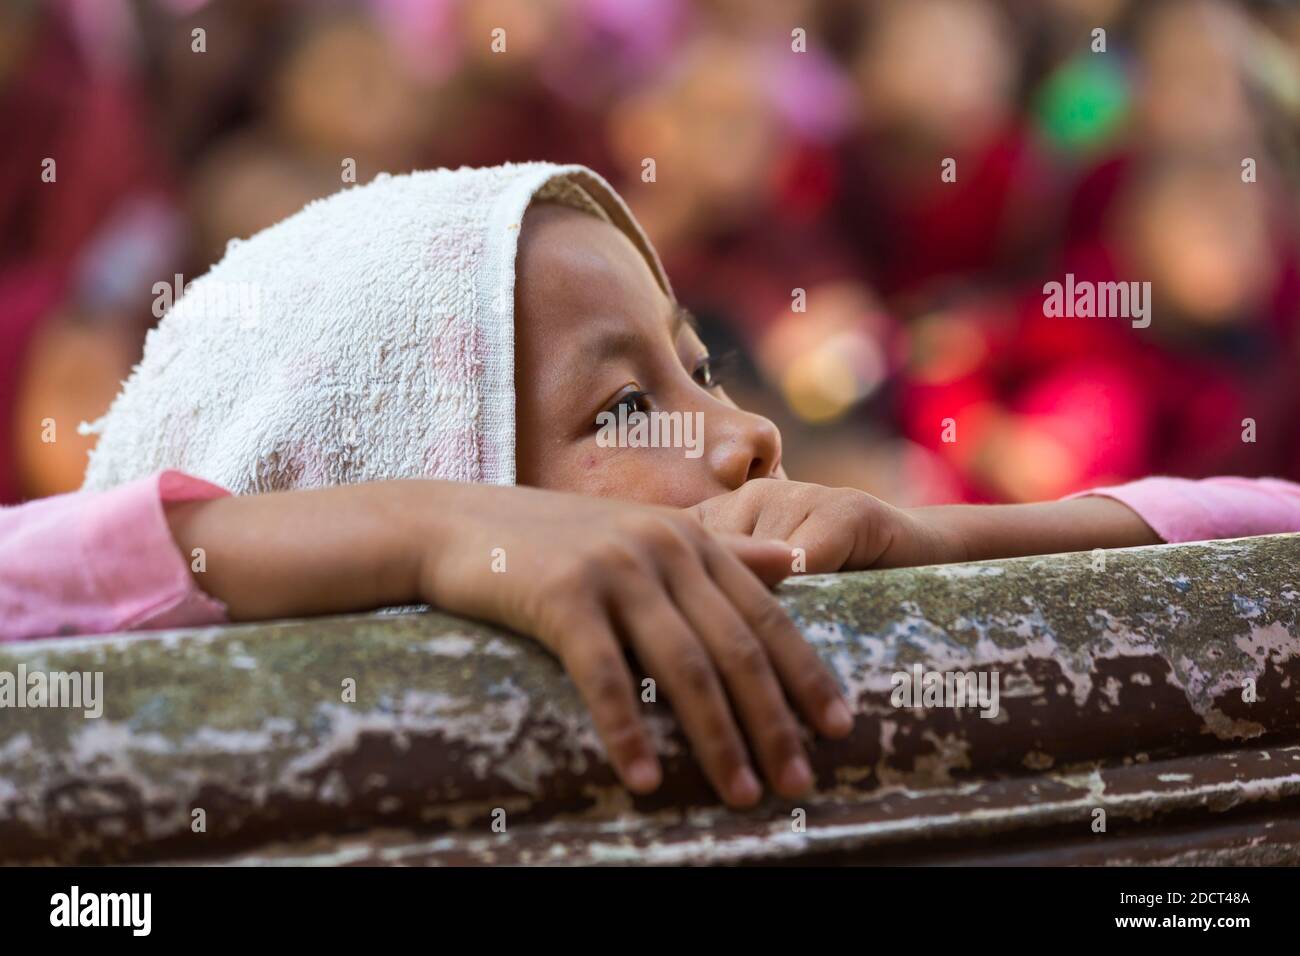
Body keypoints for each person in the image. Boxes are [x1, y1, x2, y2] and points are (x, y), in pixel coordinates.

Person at [5, 164, 1299, 810]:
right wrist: (436, 536)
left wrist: (940, 539)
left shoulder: (826, 685)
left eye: (700, 367)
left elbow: (1278, 542)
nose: (744, 435)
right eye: (623, 403)